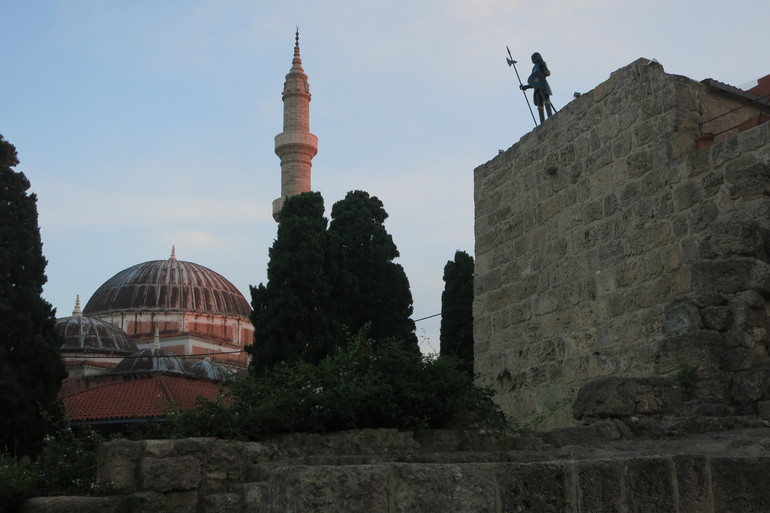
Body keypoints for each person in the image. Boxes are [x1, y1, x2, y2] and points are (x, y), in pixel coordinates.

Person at [520, 52, 553, 123]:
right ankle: (542, 123)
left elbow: (547, 72)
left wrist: (546, 72)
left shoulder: (541, 63)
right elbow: (533, 82)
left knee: (546, 101)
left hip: (543, 85)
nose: (533, 58)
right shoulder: (534, 68)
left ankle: (550, 117)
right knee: (540, 105)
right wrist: (525, 87)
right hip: (537, 89)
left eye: (534, 57)